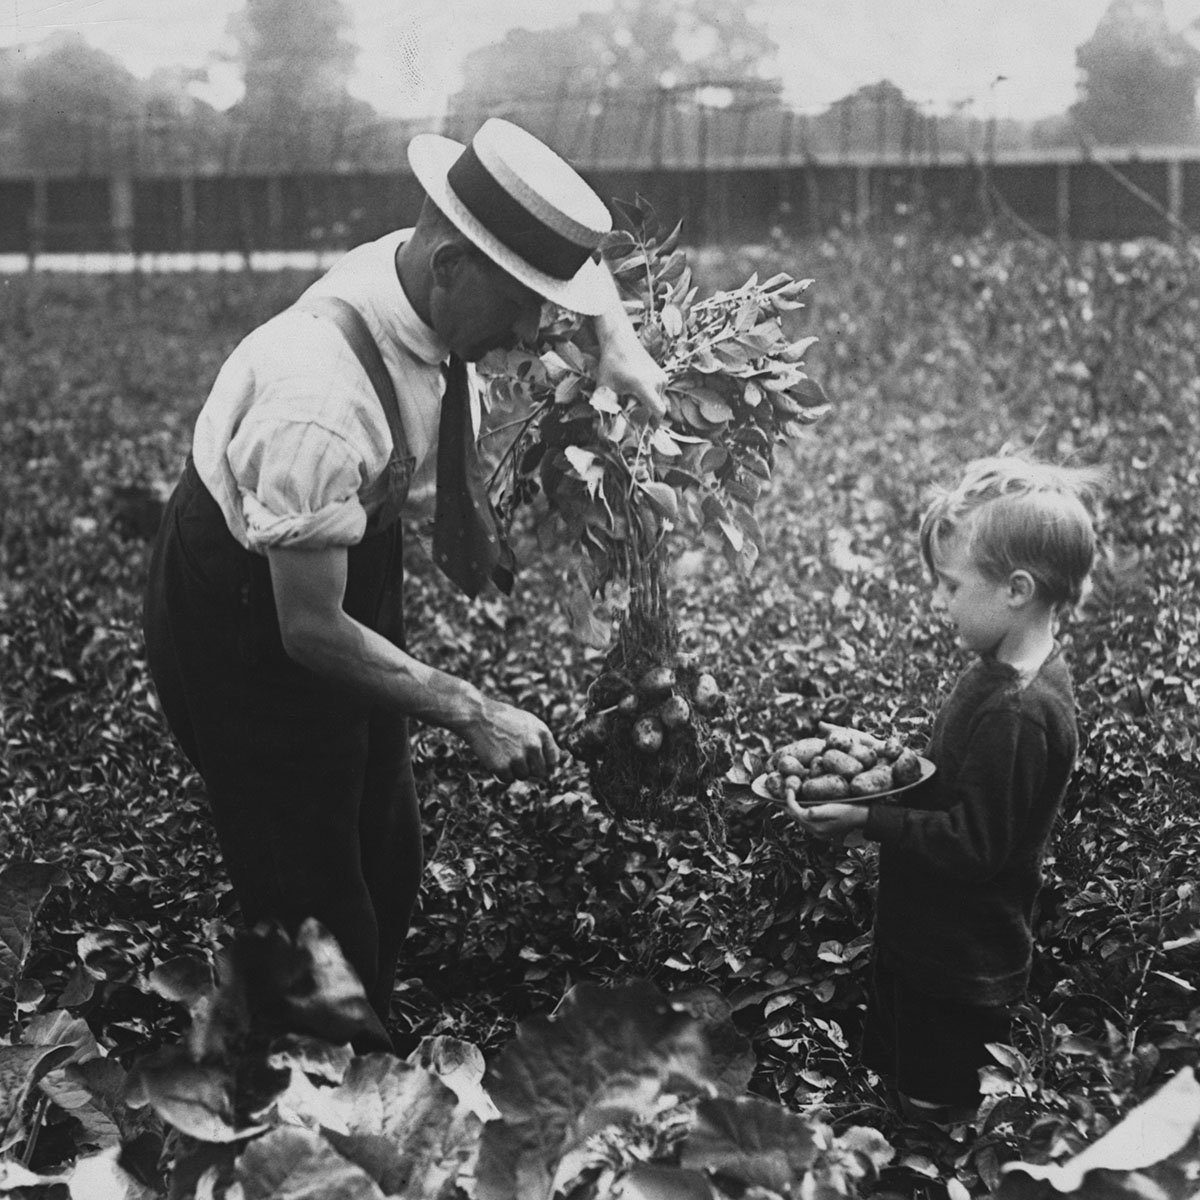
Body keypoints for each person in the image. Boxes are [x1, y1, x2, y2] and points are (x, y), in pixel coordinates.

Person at [142, 118, 667, 1044]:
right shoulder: (319, 402)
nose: (530, 335)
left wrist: (615, 335)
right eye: (520, 309)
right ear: (454, 268)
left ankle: (365, 1008)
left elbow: (551, 281)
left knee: (387, 841)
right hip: (251, 606)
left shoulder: (423, 268)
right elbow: (307, 630)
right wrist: (472, 707)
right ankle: (320, 1085)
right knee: (309, 892)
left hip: (345, 544)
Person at [790, 454, 1103, 1124]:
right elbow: (954, 779)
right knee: (905, 1087)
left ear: (1016, 589)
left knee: (934, 1114)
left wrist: (871, 824)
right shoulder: (996, 671)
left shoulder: (1021, 711)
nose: (938, 602)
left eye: (950, 585)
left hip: (959, 964)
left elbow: (972, 846)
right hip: (927, 938)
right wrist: (881, 771)